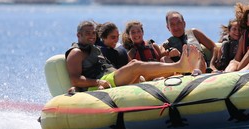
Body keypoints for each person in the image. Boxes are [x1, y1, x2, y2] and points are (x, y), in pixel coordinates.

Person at [65, 20, 200, 92]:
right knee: (136, 65)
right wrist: (98, 82)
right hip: (100, 83)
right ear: (79, 35)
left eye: (93, 33)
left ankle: (177, 73)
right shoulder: (76, 53)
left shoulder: (93, 48)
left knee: (135, 64)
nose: (92, 36)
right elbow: (75, 80)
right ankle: (179, 66)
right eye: (87, 33)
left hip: (112, 77)